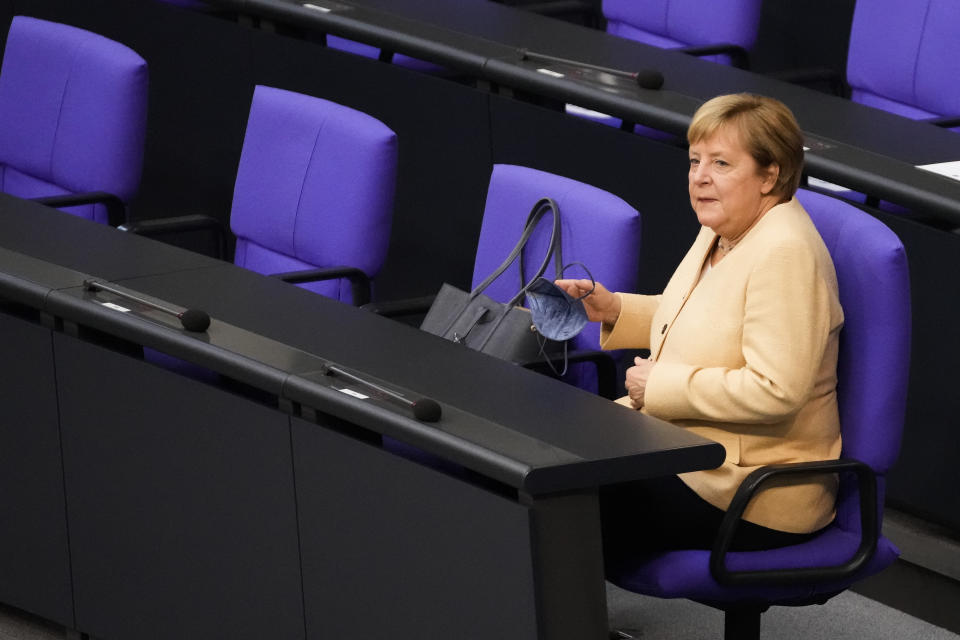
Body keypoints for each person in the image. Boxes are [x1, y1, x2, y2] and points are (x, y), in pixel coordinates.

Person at [557, 93, 844, 552]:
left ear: (770, 175)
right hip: (686, 448)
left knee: (560, 497)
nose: (700, 178)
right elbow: (712, 319)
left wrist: (661, 387)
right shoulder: (722, 227)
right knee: (538, 457)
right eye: (694, 161)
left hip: (750, 486)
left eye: (722, 164)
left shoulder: (786, 253)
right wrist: (614, 310)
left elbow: (776, 389)